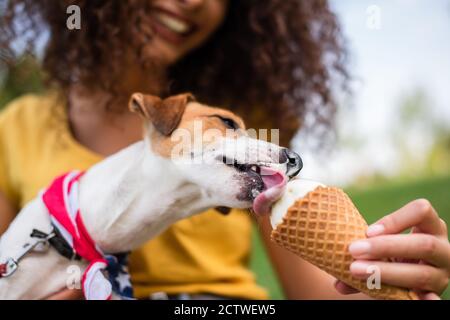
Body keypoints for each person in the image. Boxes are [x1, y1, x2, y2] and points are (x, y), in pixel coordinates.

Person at [0, 0, 448, 300]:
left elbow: (321, 295)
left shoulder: (246, 126)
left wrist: (386, 282)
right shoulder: (15, 127)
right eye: (229, 127)